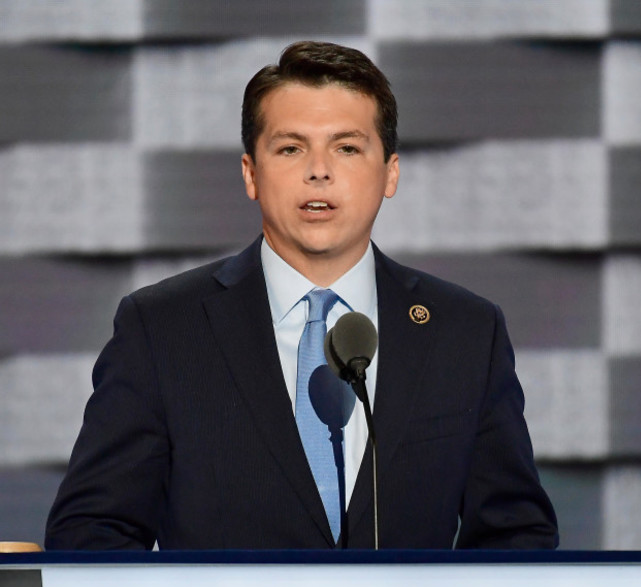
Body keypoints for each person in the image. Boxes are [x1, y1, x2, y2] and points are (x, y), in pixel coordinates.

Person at [45, 41, 558, 551]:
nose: (319, 170)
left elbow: (516, 537)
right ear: (251, 173)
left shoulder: (464, 331)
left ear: (390, 173)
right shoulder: (161, 328)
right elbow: (92, 533)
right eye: (291, 148)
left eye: (347, 148)